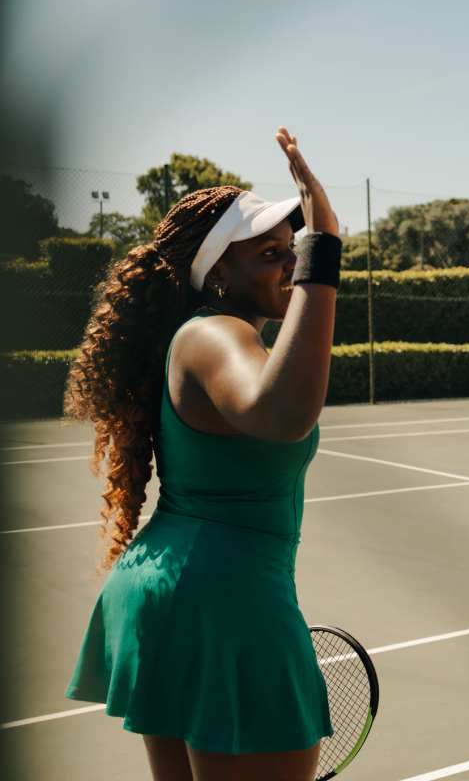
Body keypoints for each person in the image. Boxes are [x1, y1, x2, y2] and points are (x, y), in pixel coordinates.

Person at [63, 128, 343, 780]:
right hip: (225, 604)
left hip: (171, 591)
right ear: (216, 274)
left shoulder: (204, 338)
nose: (287, 263)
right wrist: (321, 252)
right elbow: (283, 414)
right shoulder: (215, 334)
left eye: (291, 250)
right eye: (270, 253)